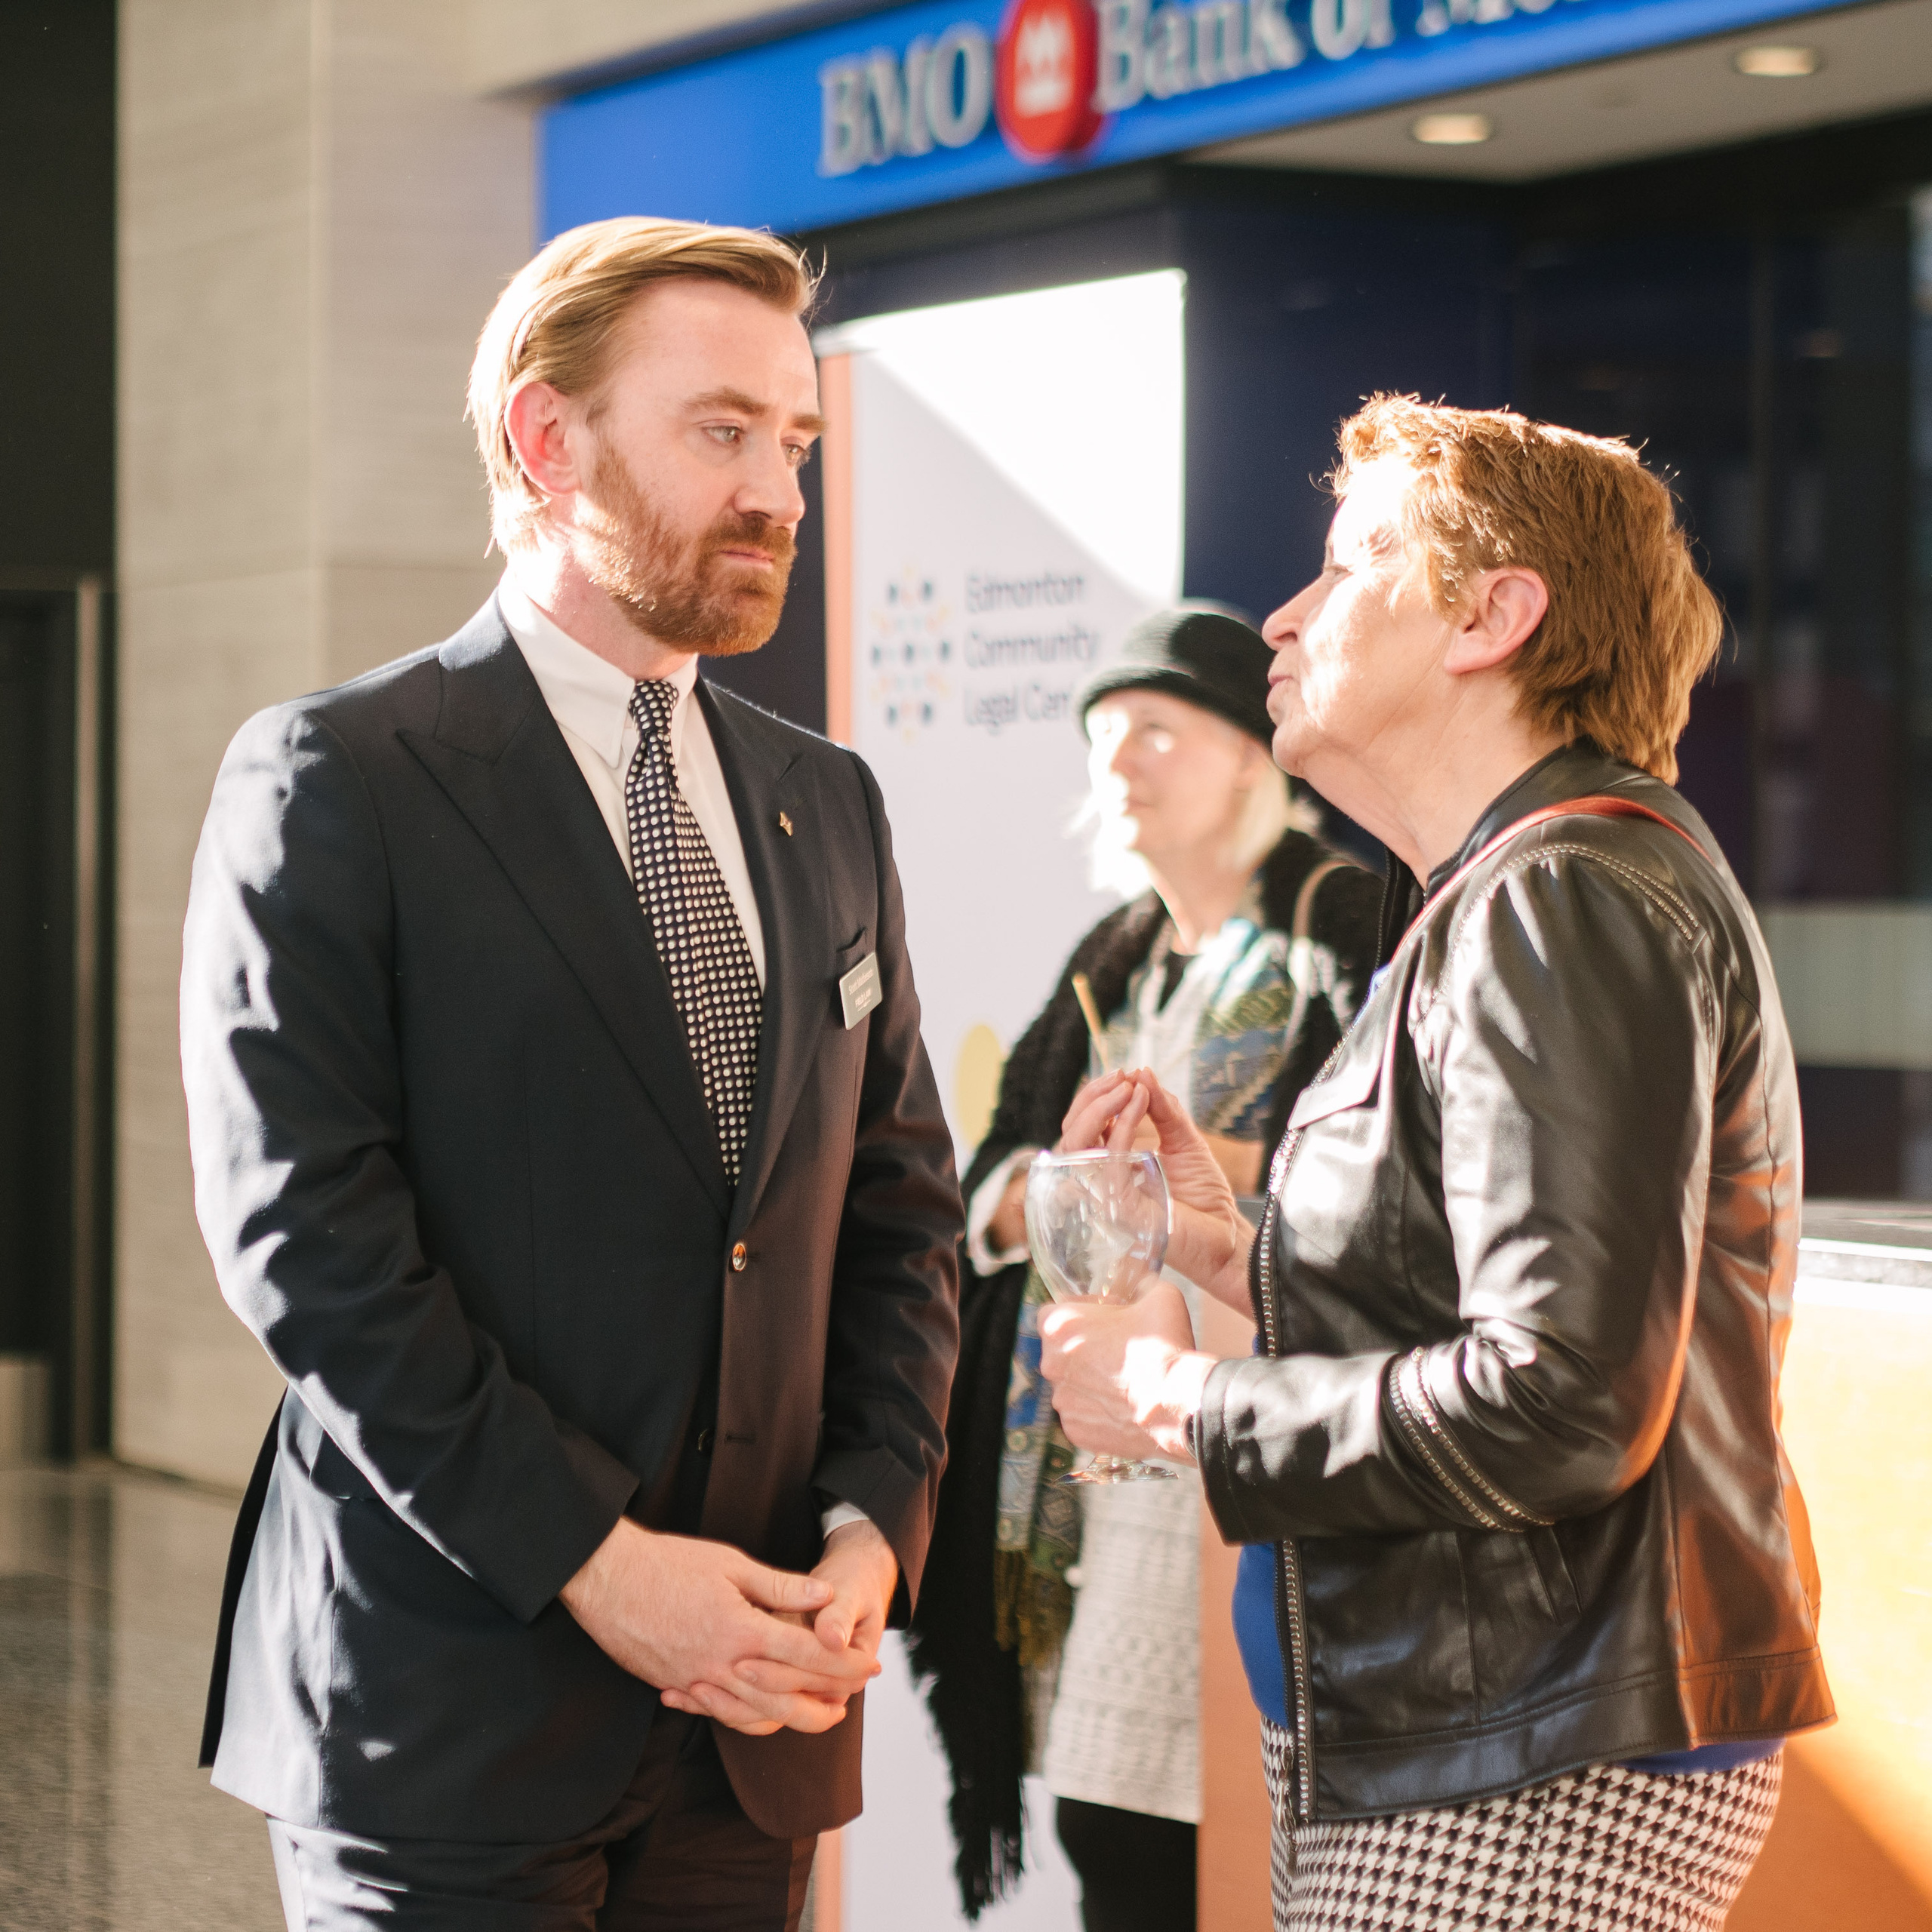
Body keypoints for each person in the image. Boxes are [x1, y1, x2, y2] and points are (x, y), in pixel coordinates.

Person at [180, 217, 962, 1932]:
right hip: (445, 1710)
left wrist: (868, 1532)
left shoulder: (824, 799)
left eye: (796, 440)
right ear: (547, 442)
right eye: (720, 432)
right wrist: (602, 1567)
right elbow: (305, 1236)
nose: (777, 489)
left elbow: (898, 1213)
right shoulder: (339, 774)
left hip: (753, 1714)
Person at [1038, 397, 1833, 1932]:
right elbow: (1484, 1296)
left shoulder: (1557, 895)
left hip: (1525, 1759)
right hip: (1489, 1738)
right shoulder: (1525, 886)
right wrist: (1233, 1247)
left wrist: (1178, 1397)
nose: (1284, 614)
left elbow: (1557, 1397)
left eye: (1347, 567)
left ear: (1493, 615)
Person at [908, 607, 1382, 1929]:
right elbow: (990, 1176)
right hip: (1091, 1468)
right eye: (1103, 739)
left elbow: (1370, 1176)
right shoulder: (1107, 955)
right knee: (1105, 1825)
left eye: (1157, 733)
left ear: (1250, 755)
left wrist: (1179, 1177)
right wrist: (1058, 1197)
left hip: (1249, 1447)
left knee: (1219, 1837)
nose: (1121, 764)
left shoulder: (1344, 923)